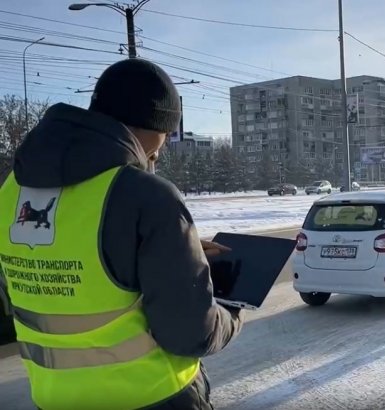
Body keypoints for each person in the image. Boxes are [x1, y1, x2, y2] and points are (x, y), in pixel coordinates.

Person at [0, 59, 242, 409]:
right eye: (166, 135)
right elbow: (191, 334)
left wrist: (168, 253)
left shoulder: (9, 192)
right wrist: (233, 310)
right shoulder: (147, 194)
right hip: (156, 396)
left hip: (55, 398)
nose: (160, 150)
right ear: (154, 123)